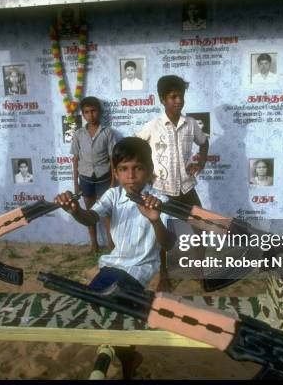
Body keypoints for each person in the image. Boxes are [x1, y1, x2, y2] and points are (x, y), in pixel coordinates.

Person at [55, 137, 175, 379]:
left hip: (139, 270)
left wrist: (154, 219)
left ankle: (117, 356)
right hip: (113, 265)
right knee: (111, 312)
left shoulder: (159, 201)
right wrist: (76, 210)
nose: (131, 175)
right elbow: (91, 218)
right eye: (123, 169)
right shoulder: (113, 196)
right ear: (116, 173)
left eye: (137, 168)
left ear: (150, 171)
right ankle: (129, 359)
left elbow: (169, 243)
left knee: (109, 308)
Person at [136, 75, 209, 208]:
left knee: (201, 224)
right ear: (162, 99)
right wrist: (145, 173)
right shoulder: (153, 126)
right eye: (173, 97)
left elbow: (204, 143)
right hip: (160, 190)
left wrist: (201, 161)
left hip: (187, 187)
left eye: (181, 96)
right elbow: (134, 148)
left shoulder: (191, 123)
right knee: (162, 225)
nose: (179, 101)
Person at [70, 96, 116, 253]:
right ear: (83, 115)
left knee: (107, 213)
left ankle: (111, 244)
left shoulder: (108, 132)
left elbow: (112, 159)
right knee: (90, 213)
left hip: (104, 178)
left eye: (94, 111)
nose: (91, 115)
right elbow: (75, 159)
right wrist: (76, 184)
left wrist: (112, 182)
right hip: (85, 179)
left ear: (100, 112)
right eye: (87, 112)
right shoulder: (78, 134)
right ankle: (94, 244)